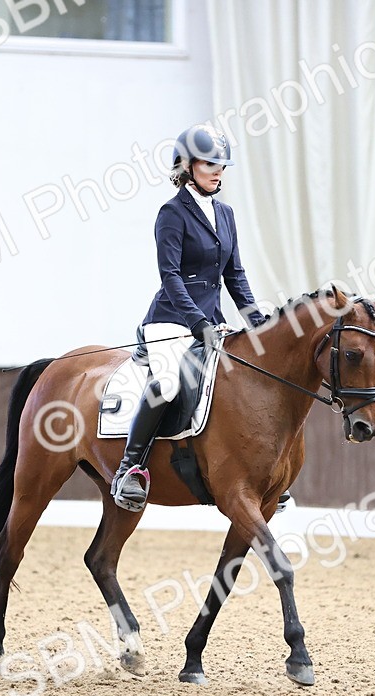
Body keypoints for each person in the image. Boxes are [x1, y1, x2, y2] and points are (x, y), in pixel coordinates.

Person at [110, 123, 267, 512]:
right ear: (186, 165)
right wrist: (197, 322)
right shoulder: (172, 213)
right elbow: (171, 276)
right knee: (166, 383)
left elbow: (235, 275)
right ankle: (130, 468)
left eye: (222, 165)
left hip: (210, 321)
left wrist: (256, 319)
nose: (218, 171)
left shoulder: (226, 214)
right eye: (209, 163)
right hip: (171, 320)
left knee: (243, 382)